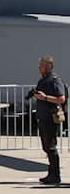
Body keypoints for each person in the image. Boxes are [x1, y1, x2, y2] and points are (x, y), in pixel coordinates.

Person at [33, 55, 66, 184]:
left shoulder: (55, 80)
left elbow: (61, 99)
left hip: (51, 118)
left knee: (51, 147)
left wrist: (45, 97)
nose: (39, 68)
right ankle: (51, 173)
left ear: (48, 66)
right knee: (46, 147)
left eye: (41, 65)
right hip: (43, 117)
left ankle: (55, 175)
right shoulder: (43, 80)